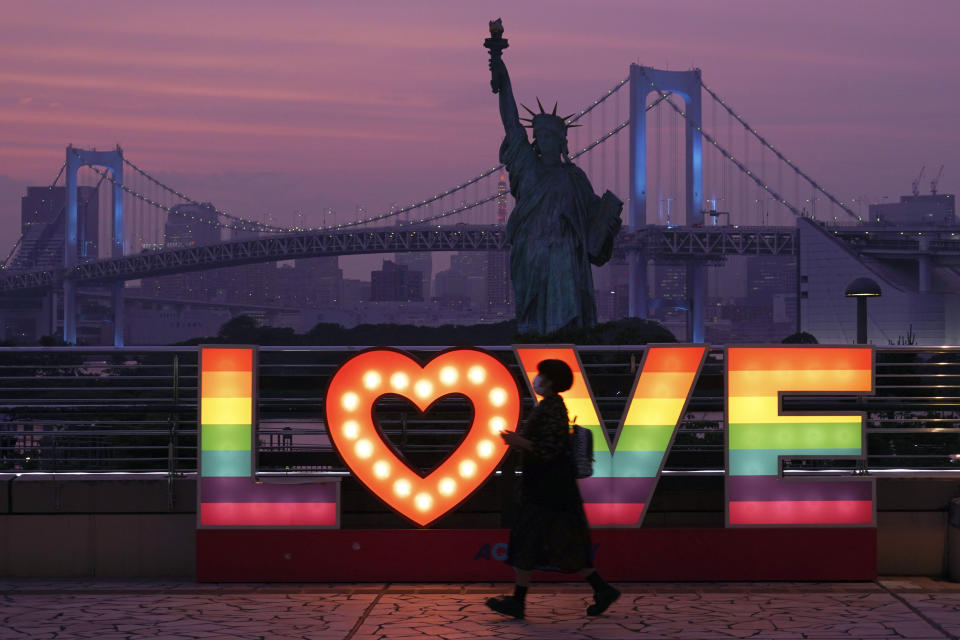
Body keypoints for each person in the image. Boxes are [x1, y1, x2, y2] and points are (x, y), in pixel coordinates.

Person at [487, 30, 621, 336]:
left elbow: (592, 227)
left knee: (565, 322)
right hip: (532, 252)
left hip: (565, 257)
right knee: (533, 321)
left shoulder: (575, 178)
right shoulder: (526, 165)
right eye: (541, 136)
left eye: (553, 136)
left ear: (563, 142)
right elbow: (510, 118)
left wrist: (607, 223)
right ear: (534, 140)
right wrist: (497, 61)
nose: (546, 141)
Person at [486, 359, 620, 619]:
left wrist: (518, 441)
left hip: (547, 492)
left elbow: (549, 449)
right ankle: (600, 589)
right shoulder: (553, 407)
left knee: (530, 541)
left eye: (541, 376)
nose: (537, 380)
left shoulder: (551, 409)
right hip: (552, 491)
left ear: (549, 381)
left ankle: (519, 602)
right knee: (554, 543)